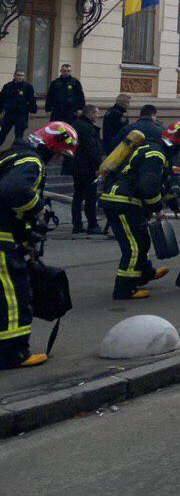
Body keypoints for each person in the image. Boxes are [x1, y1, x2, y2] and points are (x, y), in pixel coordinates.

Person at [0, 121, 78, 369]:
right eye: (59, 153)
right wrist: (38, 208)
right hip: (2, 240)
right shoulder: (31, 161)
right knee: (15, 298)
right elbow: (13, 191)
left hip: (8, 237)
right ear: (52, 146)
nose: (57, 159)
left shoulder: (15, 156)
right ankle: (13, 354)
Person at [100, 121, 180, 299]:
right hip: (122, 203)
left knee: (142, 240)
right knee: (133, 247)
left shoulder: (160, 152)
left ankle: (144, 274)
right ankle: (124, 289)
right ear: (177, 140)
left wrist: (174, 205)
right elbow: (148, 187)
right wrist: (158, 208)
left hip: (128, 203)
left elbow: (162, 183)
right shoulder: (155, 154)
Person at [69, 105, 105, 234]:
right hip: (88, 167)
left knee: (78, 196)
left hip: (76, 166)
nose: (98, 116)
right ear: (90, 114)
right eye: (96, 113)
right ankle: (92, 224)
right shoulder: (88, 128)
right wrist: (98, 166)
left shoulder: (75, 124)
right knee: (90, 196)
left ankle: (77, 224)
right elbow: (92, 149)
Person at [0, 70, 38, 147]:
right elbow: (1, 99)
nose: (20, 77)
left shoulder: (27, 87)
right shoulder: (8, 86)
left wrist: (33, 112)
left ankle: (16, 152)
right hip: (9, 114)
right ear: (14, 75)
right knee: (2, 133)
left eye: (22, 75)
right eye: (18, 75)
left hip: (21, 115)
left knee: (19, 137)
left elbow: (32, 100)